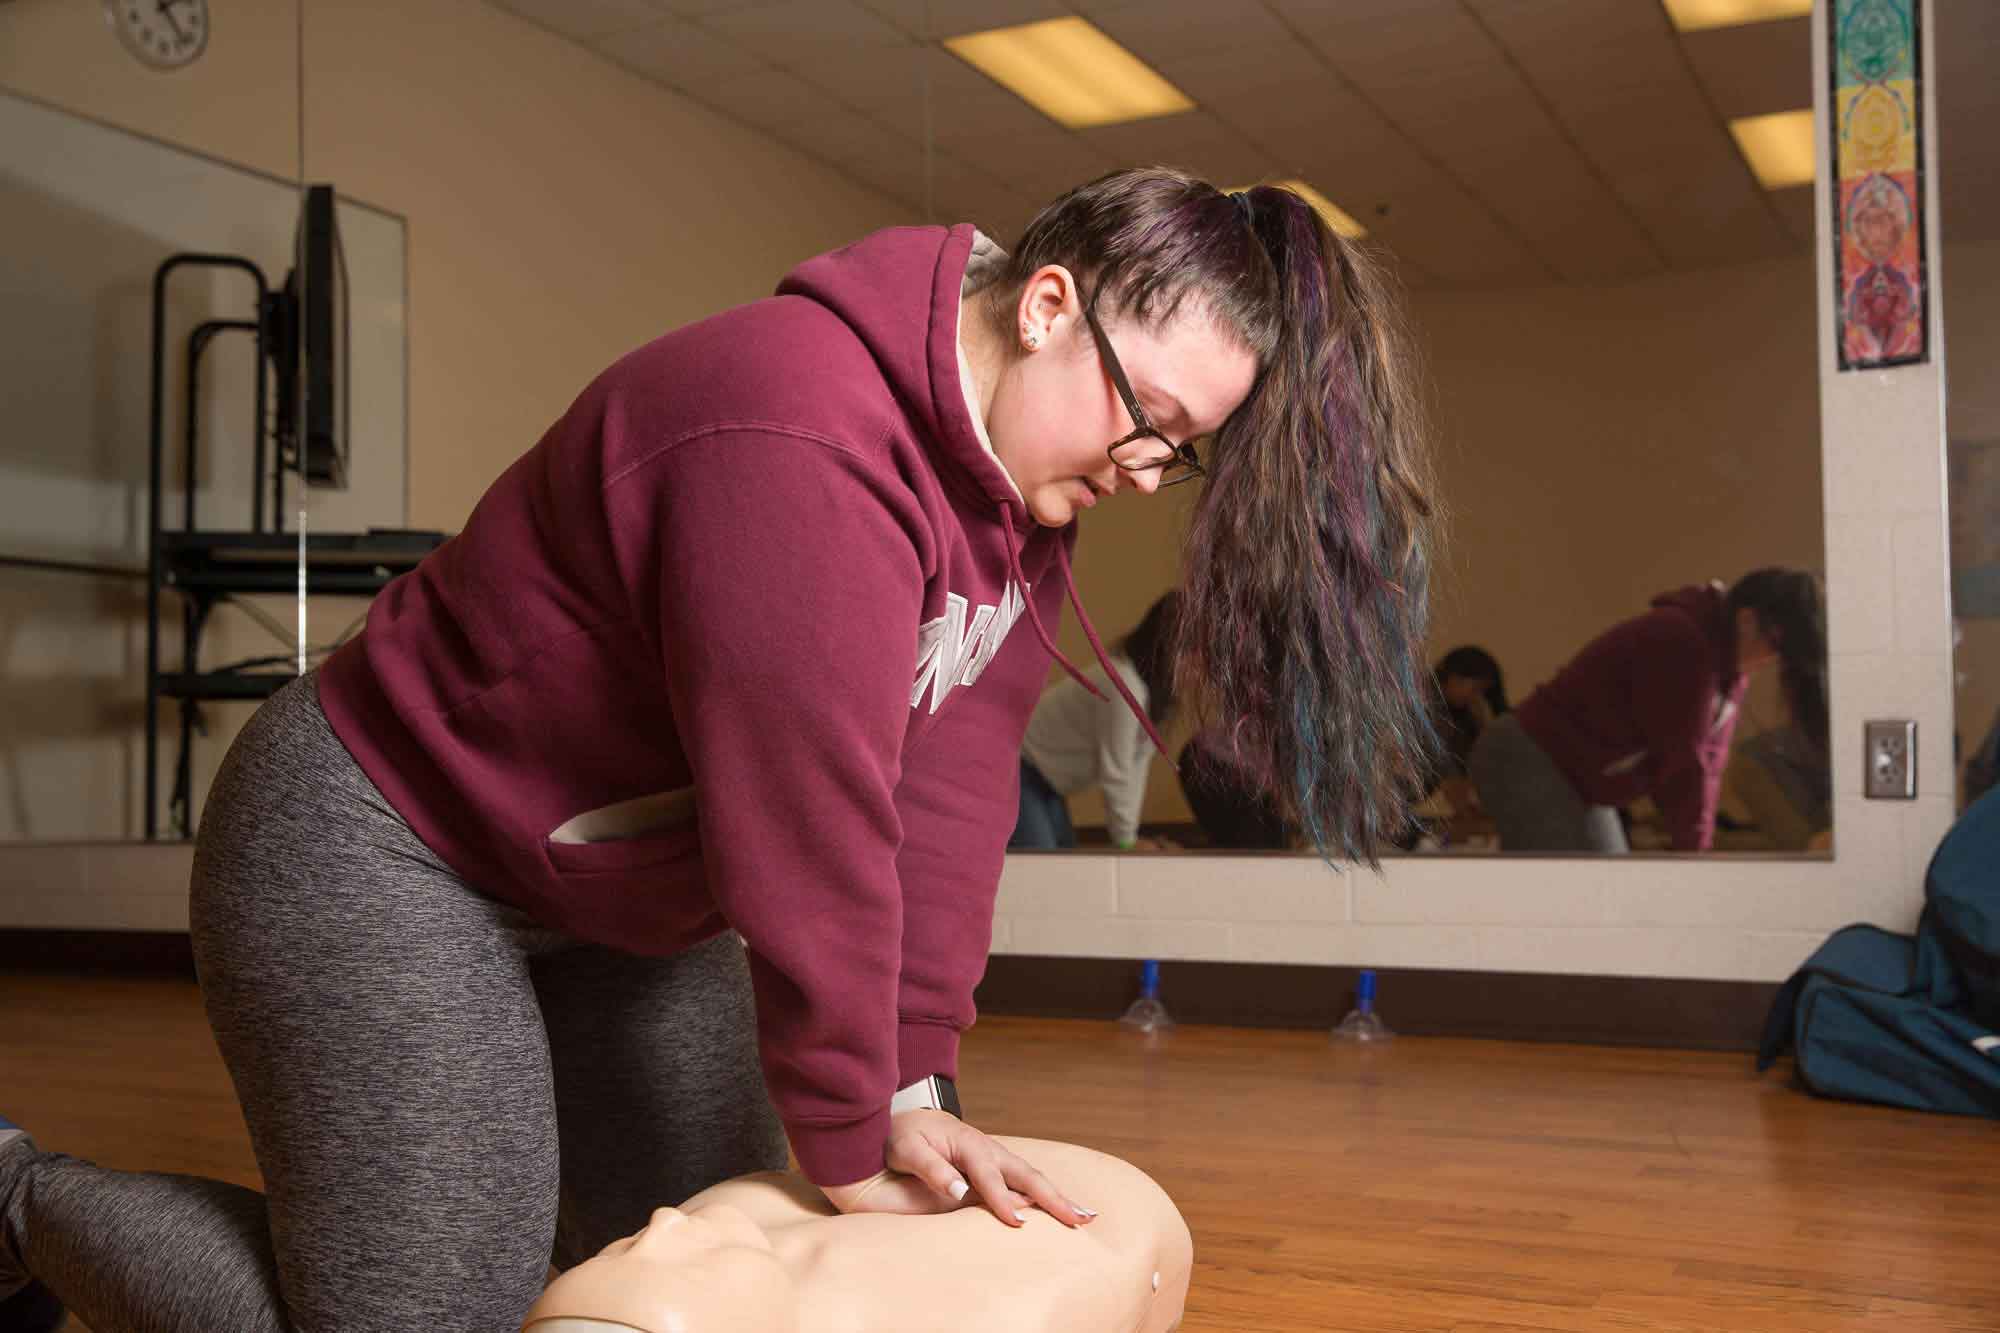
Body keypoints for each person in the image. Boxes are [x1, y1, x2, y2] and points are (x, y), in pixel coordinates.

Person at [0, 167, 1439, 1331]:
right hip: (388, 842)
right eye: (1149, 425)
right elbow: (808, 827)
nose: (1141, 474)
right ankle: (12, 1199)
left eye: (1175, 453)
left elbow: (942, 799)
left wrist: (917, 1083)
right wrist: (846, 1118)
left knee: (712, 1266)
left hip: (626, 902)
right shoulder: (795, 433)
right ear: (1051, 304)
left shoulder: (1024, 503)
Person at [520, 1136, 1192, 1333]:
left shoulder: (722, 1213)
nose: (661, 1226)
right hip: (1106, 1211)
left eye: (626, 1243)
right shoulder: (997, 1309)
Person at [1467, 570, 1826, 854]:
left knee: (1609, 891)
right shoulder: (1681, 640)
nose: (1770, 662)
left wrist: (1698, 850)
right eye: (1775, 648)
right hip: (1525, 758)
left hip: (1577, 778)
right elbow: (1685, 764)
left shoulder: (1731, 673)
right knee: (1577, 894)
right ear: (1747, 620)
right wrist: (1694, 857)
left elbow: (1711, 765)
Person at [1012, 593, 1181, 850]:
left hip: (1046, 781)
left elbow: (1136, 766)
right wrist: (1126, 841)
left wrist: (1129, 837)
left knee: (1063, 860)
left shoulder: (1150, 697)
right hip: (1022, 769)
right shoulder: (1124, 686)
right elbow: (1117, 771)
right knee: (1047, 866)